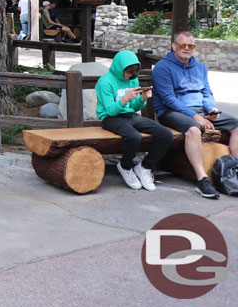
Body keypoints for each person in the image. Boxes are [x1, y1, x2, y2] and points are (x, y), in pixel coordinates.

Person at [152, 31, 238, 199]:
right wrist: (195, 117)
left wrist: (211, 109)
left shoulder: (200, 67)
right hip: (172, 111)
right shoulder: (163, 68)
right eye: (183, 45)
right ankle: (202, 179)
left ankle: (234, 168)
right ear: (174, 46)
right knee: (194, 130)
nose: (187, 49)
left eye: (190, 46)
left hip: (201, 111)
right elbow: (168, 99)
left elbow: (206, 92)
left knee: (235, 125)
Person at [96, 50, 173, 191]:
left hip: (130, 115)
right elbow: (110, 111)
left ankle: (144, 167)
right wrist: (125, 98)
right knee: (134, 137)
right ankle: (125, 166)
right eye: (129, 72)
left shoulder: (133, 79)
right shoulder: (105, 82)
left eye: (134, 72)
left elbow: (134, 107)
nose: (131, 76)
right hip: (110, 118)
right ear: (120, 68)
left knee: (166, 134)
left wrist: (142, 99)